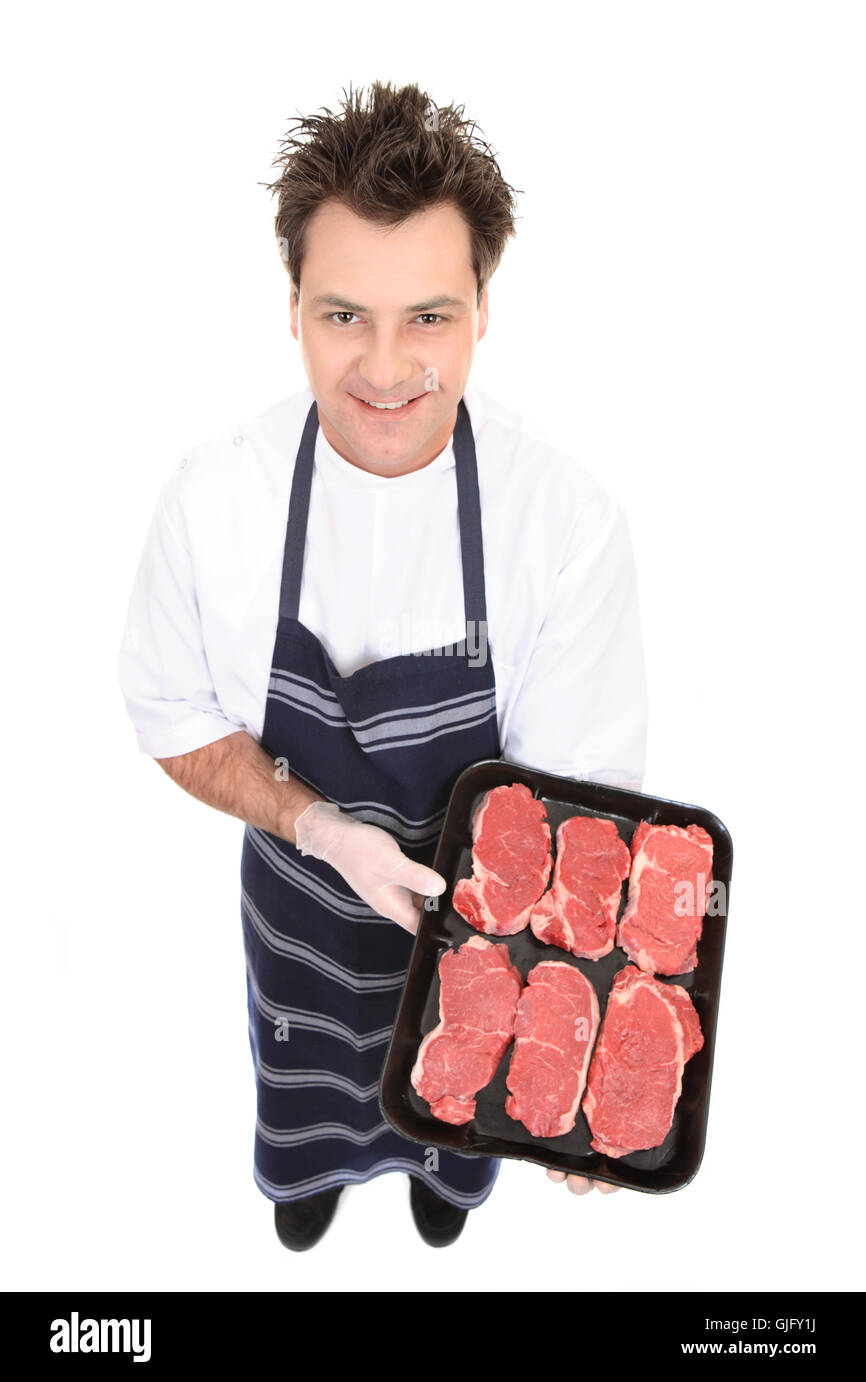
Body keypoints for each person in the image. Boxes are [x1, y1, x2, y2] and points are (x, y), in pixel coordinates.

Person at [117, 81, 647, 1251]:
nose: (387, 367)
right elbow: (168, 715)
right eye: (344, 315)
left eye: (429, 318)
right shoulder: (218, 502)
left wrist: (592, 1047)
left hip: (481, 944)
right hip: (298, 921)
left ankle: (437, 1193)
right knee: (301, 1112)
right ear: (292, 309)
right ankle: (305, 1188)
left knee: (449, 1140)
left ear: (483, 312)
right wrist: (316, 827)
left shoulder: (560, 523)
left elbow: (582, 820)